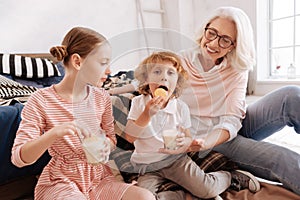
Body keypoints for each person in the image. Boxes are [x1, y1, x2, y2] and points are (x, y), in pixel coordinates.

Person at [11, 27, 155, 200]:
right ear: (78, 62)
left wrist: (105, 146)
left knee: (145, 197)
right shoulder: (40, 100)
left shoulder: (102, 97)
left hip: (99, 179)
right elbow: (19, 157)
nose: (109, 70)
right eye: (103, 63)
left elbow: (111, 139)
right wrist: (56, 132)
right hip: (62, 181)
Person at [178, 6, 300, 195]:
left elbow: (233, 118)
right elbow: (143, 81)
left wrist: (227, 128)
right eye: (212, 33)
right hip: (207, 137)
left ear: (234, 45)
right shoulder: (179, 61)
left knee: (291, 96)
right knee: (282, 159)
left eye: (225, 40)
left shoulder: (236, 67)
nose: (214, 43)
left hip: (230, 125)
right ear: (205, 28)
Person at [124, 51, 260, 200]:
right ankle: (186, 196)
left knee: (206, 190)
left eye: (171, 73)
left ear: (177, 82)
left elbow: (188, 139)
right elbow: (130, 137)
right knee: (142, 197)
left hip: (175, 161)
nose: (164, 77)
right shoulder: (139, 103)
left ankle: (230, 177)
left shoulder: (181, 108)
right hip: (147, 167)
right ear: (146, 79)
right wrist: (146, 115)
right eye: (157, 72)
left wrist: (185, 143)